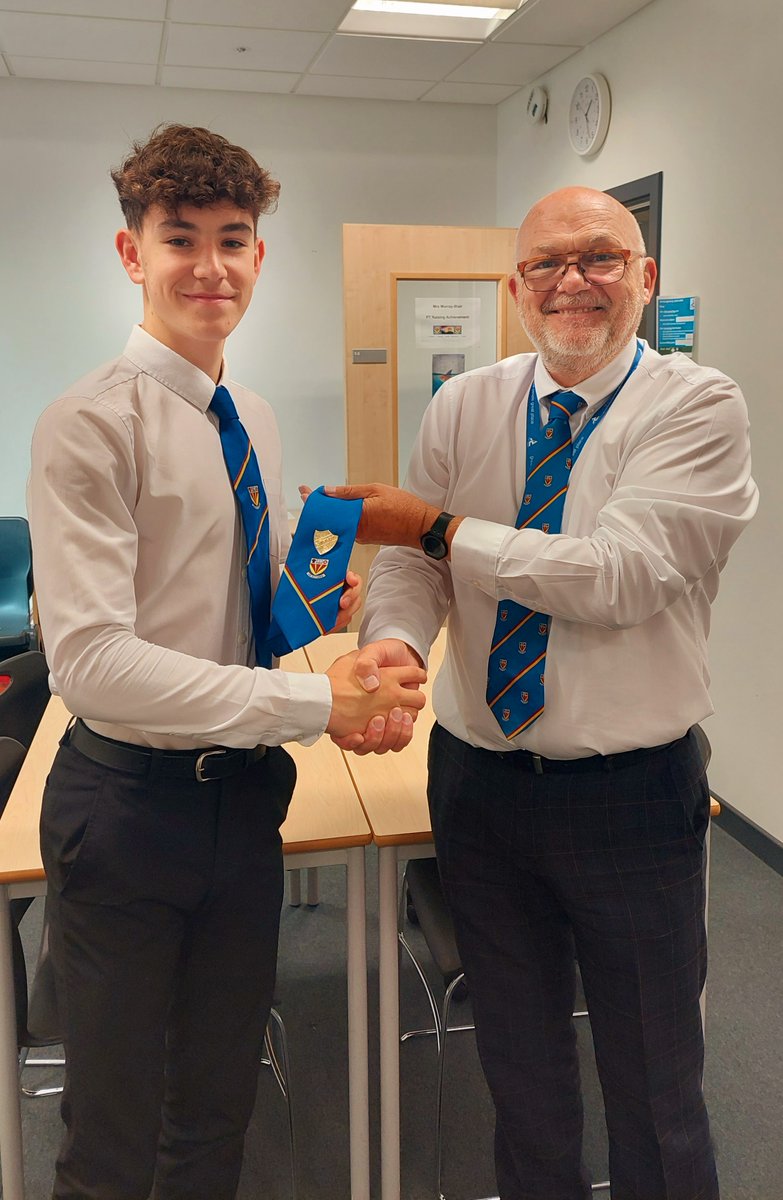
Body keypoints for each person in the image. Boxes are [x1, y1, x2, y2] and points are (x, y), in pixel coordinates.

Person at [326, 186, 758, 1199]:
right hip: (479, 792)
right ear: (515, 288)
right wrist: (392, 647)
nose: (574, 280)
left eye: (601, 257)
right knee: (519, 1076)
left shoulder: (697, 406)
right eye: (548, 264)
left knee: (656, 1086)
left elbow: (618, 577)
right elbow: (409, 569)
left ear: (644, 279)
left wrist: (435, 526)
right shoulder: (465, 404)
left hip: (631, 798)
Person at [27, 123, 425, 1200]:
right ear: (131, 255)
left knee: (216, 1106)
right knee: (111, 1127)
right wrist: (314, 699)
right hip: (128, 809)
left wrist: (311, 612)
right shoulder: (87, 426)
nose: (210, 266)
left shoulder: (245, 415)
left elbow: (219, 613)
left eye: (234, 239)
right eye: (180, 238)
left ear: (260, 255)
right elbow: (98, 666)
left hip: (243, 803)